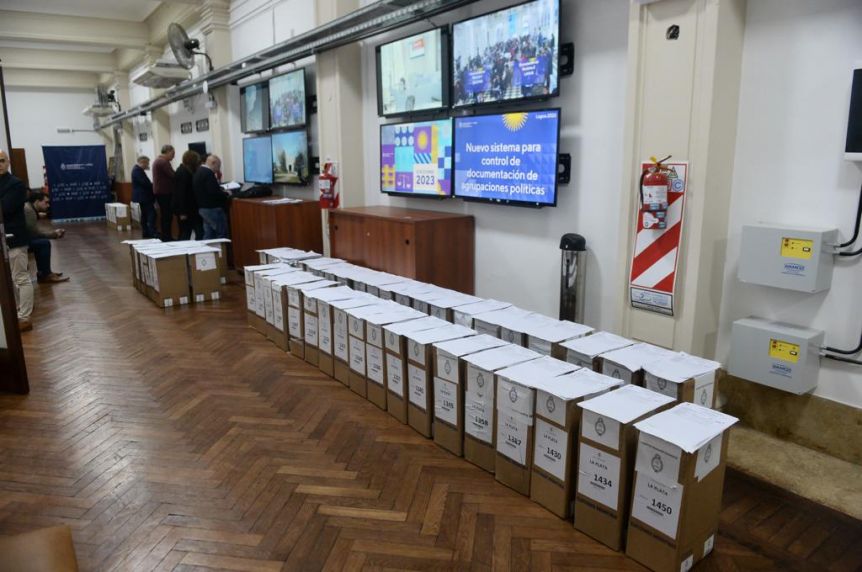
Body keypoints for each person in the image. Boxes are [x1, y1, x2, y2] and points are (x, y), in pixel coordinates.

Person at [0, 150, 33, 332]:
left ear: (8, 162)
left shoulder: (16, 184)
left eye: (1, 160)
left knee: (20, 278)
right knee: (8, 280)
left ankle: (25, 317)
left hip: (14, 238)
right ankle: (16, 312)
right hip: (2, 239)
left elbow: (4, 208)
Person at [25, 191, 69, 284]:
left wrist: (38, 215)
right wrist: (53, 234)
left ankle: (44, 273)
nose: (48, 205)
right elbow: (35, 234)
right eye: (46, 202)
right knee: (44, 243)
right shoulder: (29, 210)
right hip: (19, 243)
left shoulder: (28, 207)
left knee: (41, 243)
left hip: (20, 239)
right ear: (37, 201)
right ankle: (46, 275)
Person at [193, 154, 229, 239]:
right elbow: (214, 192)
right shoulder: (208, 173)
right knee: (221, 234)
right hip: (213, 209)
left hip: (203, 208)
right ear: (213, 163)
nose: (218, 169)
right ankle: (221, 248)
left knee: (209, 235)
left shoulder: (198, 171)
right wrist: (226, 194)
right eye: (218, 166)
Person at [172, 150, 204, 240]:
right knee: (188, 231)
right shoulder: (184, 173)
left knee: (187, 231)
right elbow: (181, 193)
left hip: (187, 208)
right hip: (187, 209)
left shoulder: (182, 170)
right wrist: (182, 212)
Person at [152, 144, 176, 241]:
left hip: (160, 192)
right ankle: (167, 237)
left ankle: (165, 236)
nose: (173, 156)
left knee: (165, 215)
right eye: (172, 154)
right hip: (164, 192)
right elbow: (173, 175)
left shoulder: (158, 160)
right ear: (167, 152)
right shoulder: (163, 162)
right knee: (167, 215)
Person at [131, 156, 157, 238]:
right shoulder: (137, 171)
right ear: (143, 162)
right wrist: (153, 185)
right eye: (147, 163)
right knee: (151, 213)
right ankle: (151, 232)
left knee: (145, 214)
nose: (148, 165)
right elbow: (145, 183)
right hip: (144, 196)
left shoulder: (137, 170)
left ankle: (146, 232)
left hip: (142, 196)